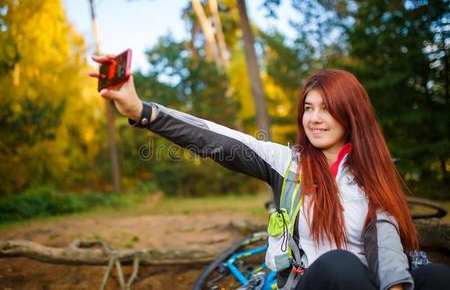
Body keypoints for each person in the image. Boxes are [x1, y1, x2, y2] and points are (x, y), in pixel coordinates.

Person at [91, 55, 450, 290]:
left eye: (327, 108)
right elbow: (218, 138)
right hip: (315, 281)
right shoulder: (287, 163)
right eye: (309, 108)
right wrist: (142, 110)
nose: (314, 118)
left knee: (438, 278)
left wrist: (396, 286)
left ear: (351, 114)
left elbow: (384, 240)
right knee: (340, 266)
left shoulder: (375, 172)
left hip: (374, 281)